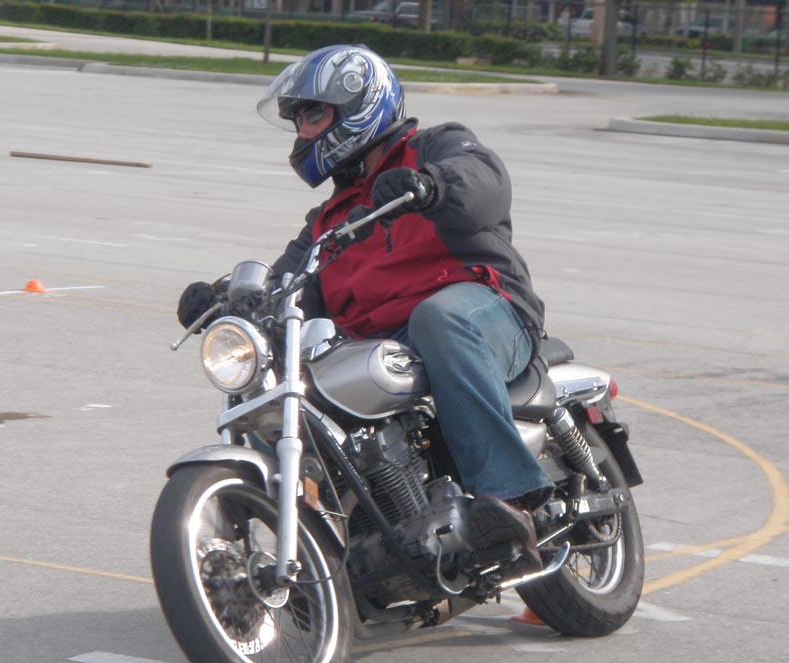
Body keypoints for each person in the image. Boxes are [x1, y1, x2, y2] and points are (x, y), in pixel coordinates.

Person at [177, 44, 553, 573]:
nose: (303, 130)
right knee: (293, 383)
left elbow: (486, 185)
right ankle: (349, 543)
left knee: (438, 318)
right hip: (391, 344)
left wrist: (433, 186)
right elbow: (286, 283)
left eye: (312, 114)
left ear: (359, 106)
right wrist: (225, 302)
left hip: (485, 310)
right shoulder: (328, 219)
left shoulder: (436, 148)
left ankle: (509, 499)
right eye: (297, 119)